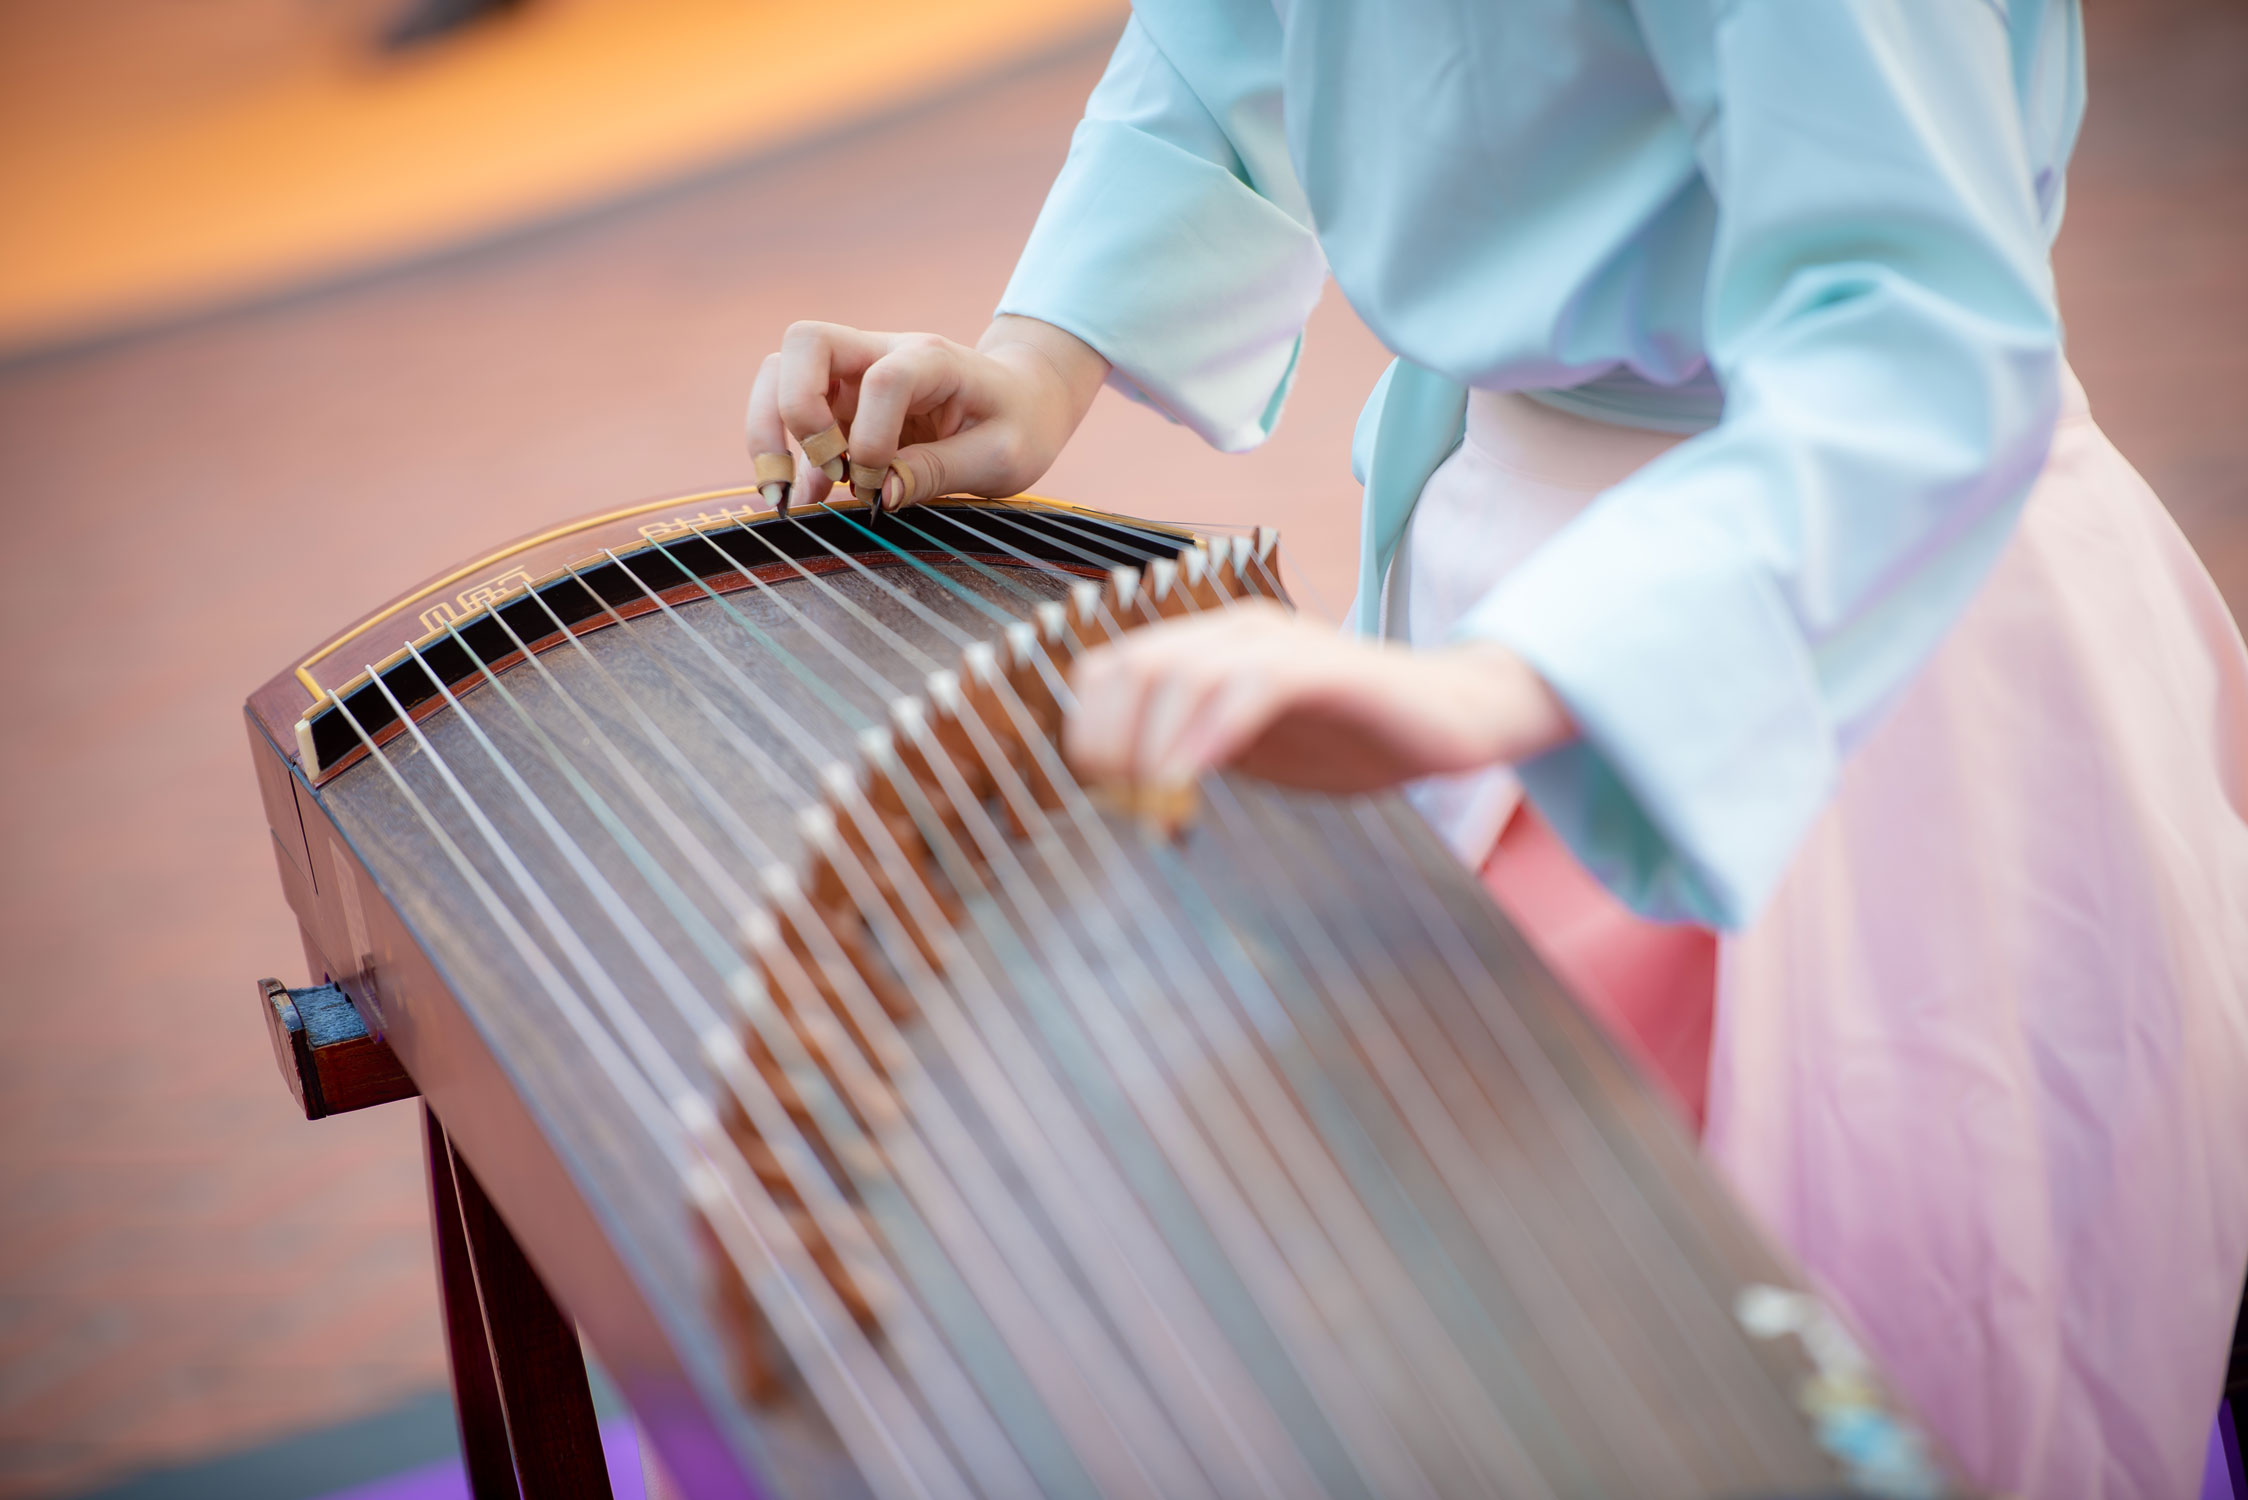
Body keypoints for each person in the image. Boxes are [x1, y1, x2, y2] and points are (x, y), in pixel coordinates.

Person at [743, 3, 2248, 1493]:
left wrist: (1518, 677)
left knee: (1767, 1390)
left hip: (1844, 628)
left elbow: (1928, 328)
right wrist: (1048, 350)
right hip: (1504, 585)